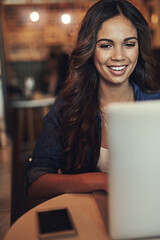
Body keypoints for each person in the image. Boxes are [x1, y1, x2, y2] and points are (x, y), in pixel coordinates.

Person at [25, 0, 160, 199]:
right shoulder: (68, 105)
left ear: (139, 49)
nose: (119, 56)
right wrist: (102, 181)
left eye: (129, 44)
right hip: (87, 218)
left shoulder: (155, 106)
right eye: (106, 45)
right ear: (90, 49)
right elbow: (36, 181)